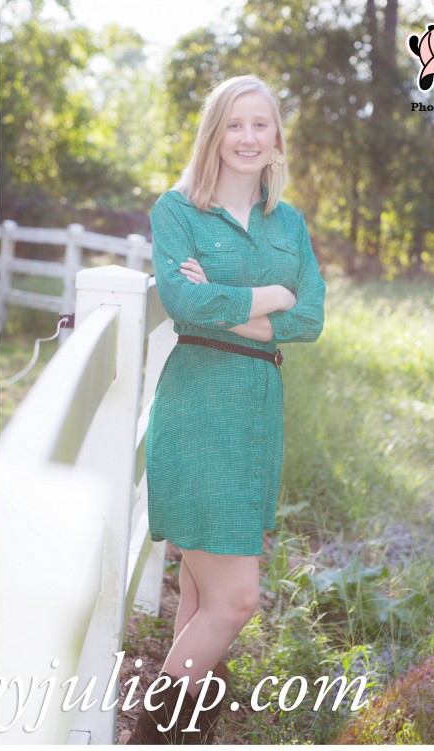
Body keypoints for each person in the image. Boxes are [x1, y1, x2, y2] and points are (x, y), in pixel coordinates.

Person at [128, 76, 326, 743]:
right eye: (234, 125)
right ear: (215, 133)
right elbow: (186, 307)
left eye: (260, 125)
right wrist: (272, 294)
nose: (247, 138)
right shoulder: (177, 211)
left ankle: (187, 730)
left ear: (276, 137)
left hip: (257, 415)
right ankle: (151, 732)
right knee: (237, 597)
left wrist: (241, 301)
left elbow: (311, 319)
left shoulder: (288, 222)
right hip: (198, 407)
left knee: (201, 594)